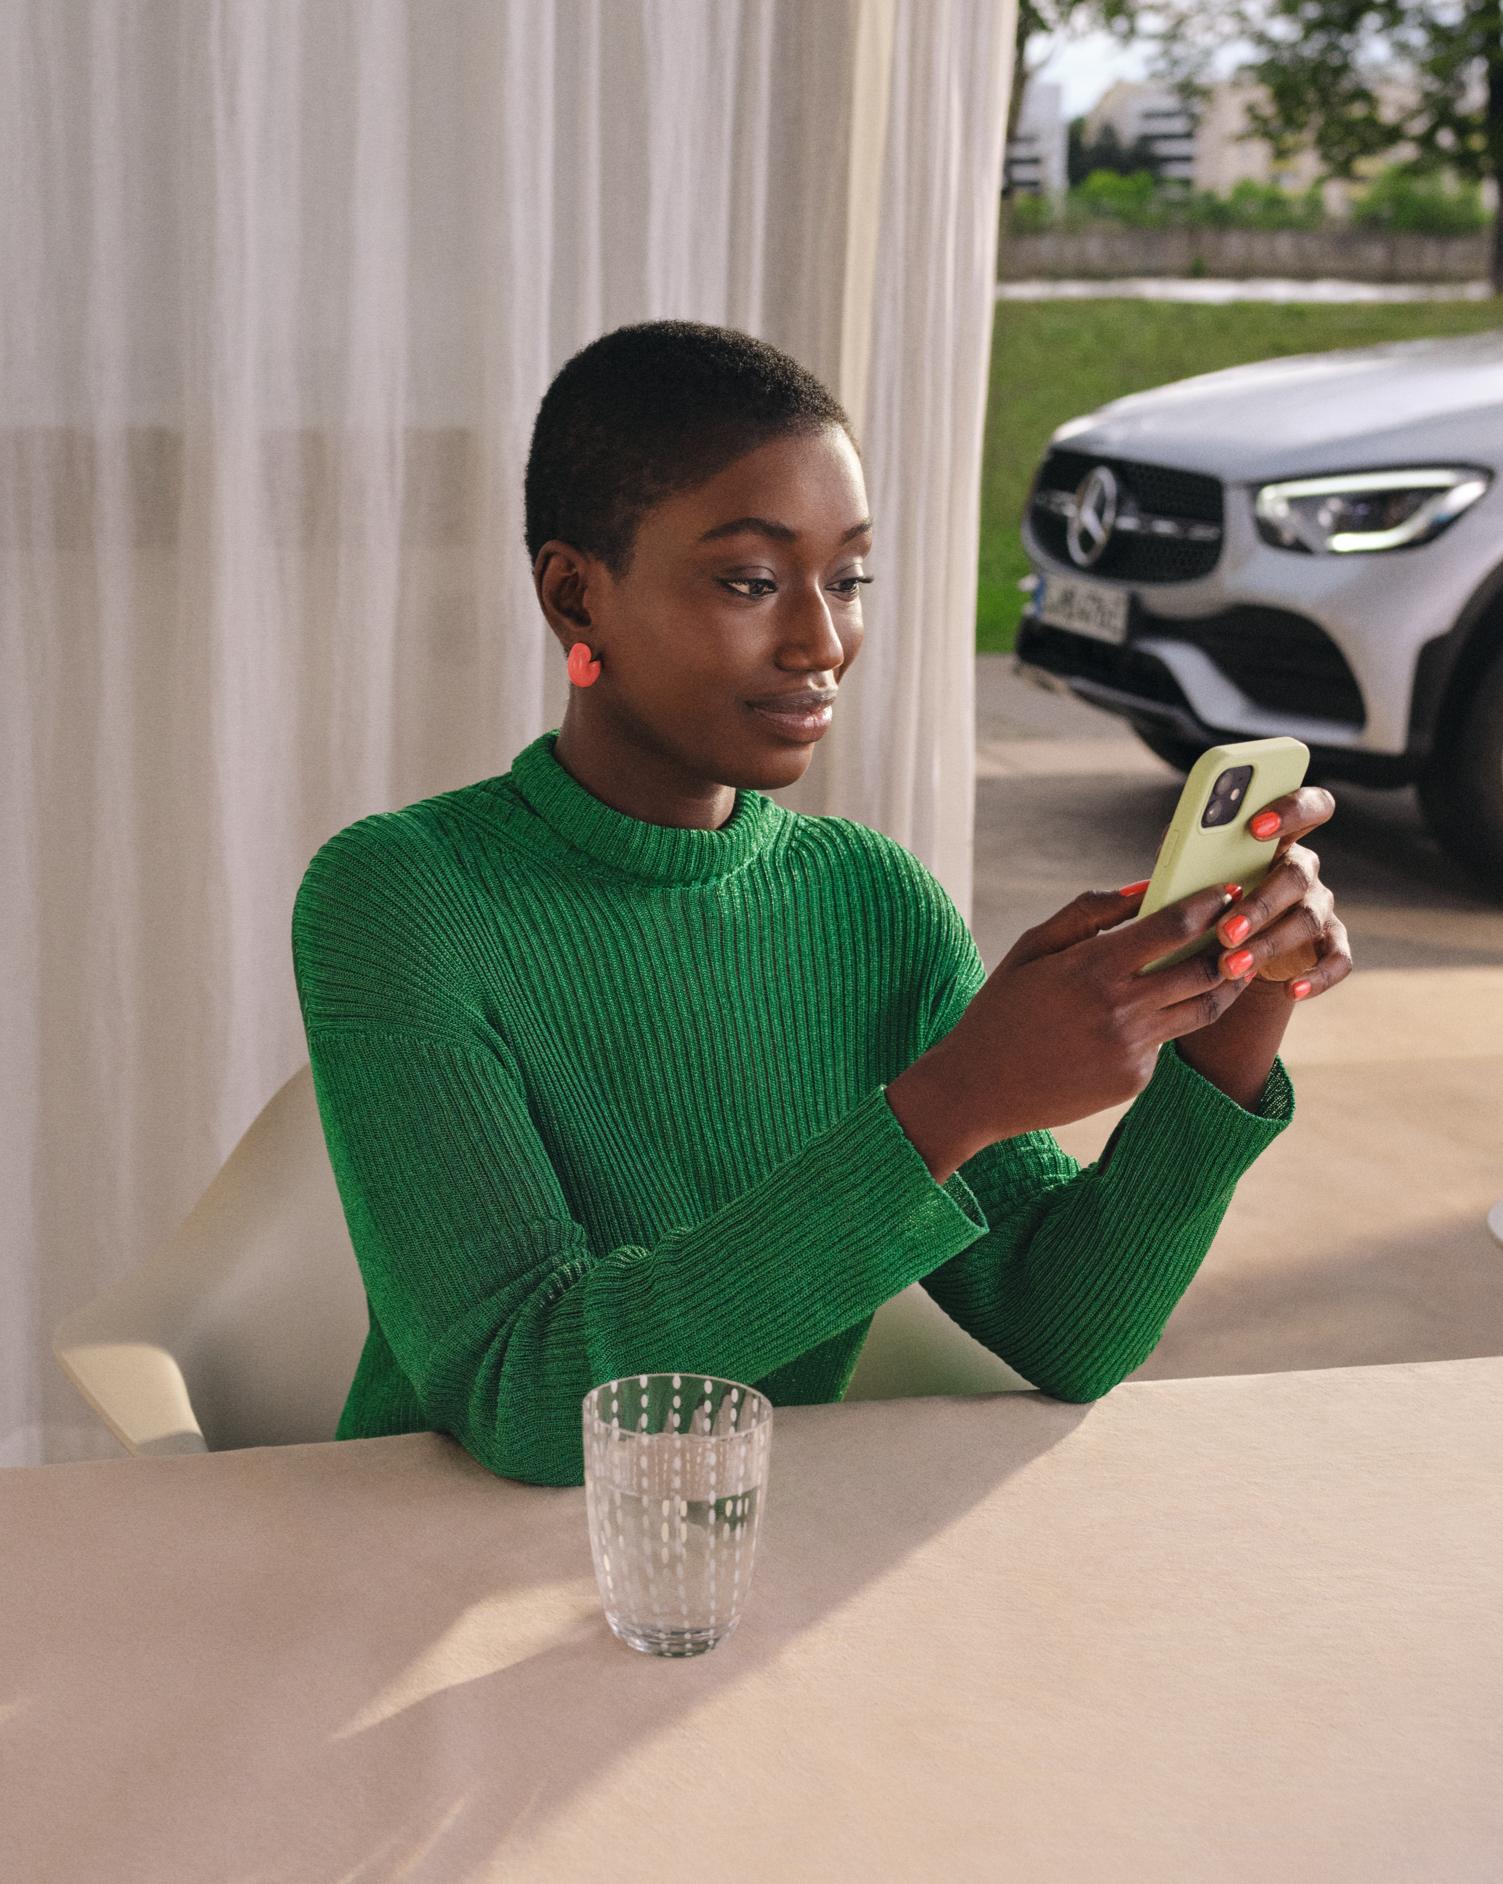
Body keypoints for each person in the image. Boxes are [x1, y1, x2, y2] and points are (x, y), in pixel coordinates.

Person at [292, 321, 1352, 1487]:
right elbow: (530, 1398)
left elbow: (1070, 1326)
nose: (822, 640)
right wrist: (953, 1100)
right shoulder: (400, 896)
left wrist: (1241, 1009)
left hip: (738, 1561)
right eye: (751, 581)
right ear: (574, 595)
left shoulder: (869, 901)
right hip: (418, 1571)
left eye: (847, 578)